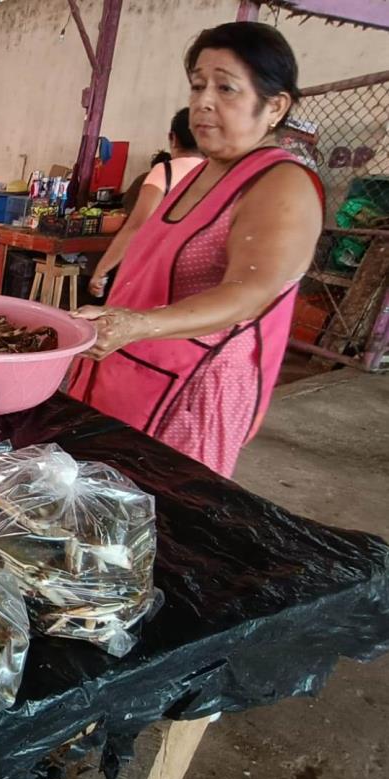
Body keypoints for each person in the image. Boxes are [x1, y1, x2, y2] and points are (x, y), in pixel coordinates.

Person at [67, 22, 324, 478]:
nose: (203, 102)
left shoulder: (282, 183)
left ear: (276, 106)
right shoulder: (197, 173)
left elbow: (251, 292)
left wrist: (139, 323)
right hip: (131, 366)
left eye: (226, 88)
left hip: (192, 394)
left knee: (160, 511)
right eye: (198, 86)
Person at [90, 109, 204, 298]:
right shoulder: (219, 175)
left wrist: (102, 270)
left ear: (172, 138)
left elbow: (136, 226)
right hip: (197, 274)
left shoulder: (165, 171)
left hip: (156, 269)